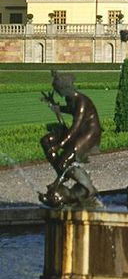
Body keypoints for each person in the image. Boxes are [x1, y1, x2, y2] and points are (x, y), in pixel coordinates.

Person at [39, 71, 102, 208]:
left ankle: (87, 187)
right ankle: (62, 174)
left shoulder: (81, 101)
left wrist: (60, 144)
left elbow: (75, 128)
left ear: (65, 87)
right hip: (78, 132)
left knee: (64, 161)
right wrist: (56, 106)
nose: (58, 93)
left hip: (88, 133)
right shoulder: (71, 99)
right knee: (46, 141)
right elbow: (68, 109)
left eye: (58, 90)